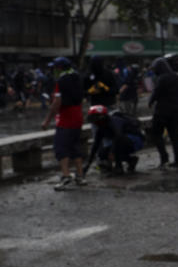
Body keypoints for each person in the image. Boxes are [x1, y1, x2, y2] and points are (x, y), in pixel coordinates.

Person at [41, 57, 87, 191]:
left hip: (66, 119)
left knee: (61, 148)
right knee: (75, 146)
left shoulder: (61, 81)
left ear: (59, 68)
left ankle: (66, 176)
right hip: (78, 118)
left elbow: (57, 102)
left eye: (54, 68)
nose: (53, 70)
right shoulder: (77, 77)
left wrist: (47, 121)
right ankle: (80, 176)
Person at [147, 57, 178, 169]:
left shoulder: (162, 78)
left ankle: (164, 158)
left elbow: (156, 93)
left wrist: (150, 102)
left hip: (162, 112)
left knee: (157, 134)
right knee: (174, 136)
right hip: (176, 112)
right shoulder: (177, 77)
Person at [83, 105, 143, 175]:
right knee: (102, 153)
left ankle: (119, 167)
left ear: (101, 116)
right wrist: (87, 165)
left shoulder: (114, 121)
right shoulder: (101, 128)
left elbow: (118, 136)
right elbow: (95, 145)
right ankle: (131, 160)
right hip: (122, 142)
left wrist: (112, 152)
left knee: (117, 144)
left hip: (134, 140)